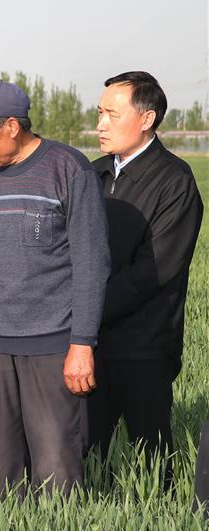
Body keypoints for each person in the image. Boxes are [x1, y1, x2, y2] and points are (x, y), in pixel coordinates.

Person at [0, 80, 111, 496]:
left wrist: (82, 343)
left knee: (57, 467)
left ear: (11, 126)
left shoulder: (67, 169)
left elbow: (93, 261)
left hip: (51, 344)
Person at [88, 71, 204, 487]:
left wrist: (85, 309)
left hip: (144, 347)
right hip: (89, 345)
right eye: (99, 113)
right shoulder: (92, 174)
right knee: (86, 453)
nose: (100, 124)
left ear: (147, 118)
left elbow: (153, 271)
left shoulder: (175, 181)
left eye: (111, 114)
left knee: (151, 462)